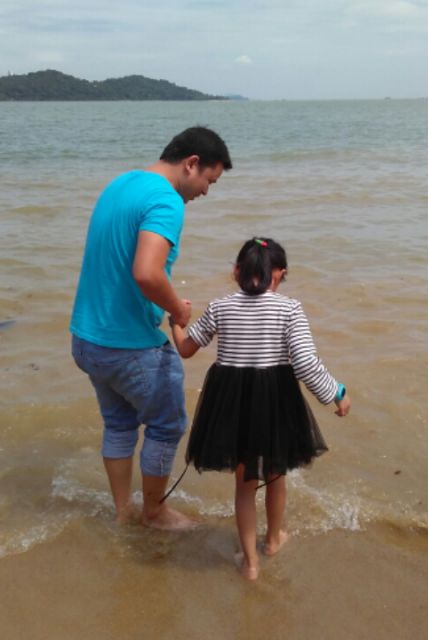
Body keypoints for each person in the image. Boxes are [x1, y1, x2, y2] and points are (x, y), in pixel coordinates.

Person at [70, 126, 232, 531]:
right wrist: (177, 309)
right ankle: (155, 513)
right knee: (167, 425)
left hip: (88, 339)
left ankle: (123, 510)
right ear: (191, 163)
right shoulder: (166, 199)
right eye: (209, 181)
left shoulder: (121, 183)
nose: (205, 192)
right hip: (128, 346)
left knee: (119, 424)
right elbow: (146, 273)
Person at [170, 237, 351, 578]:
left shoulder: (220, 307)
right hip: (276, 401)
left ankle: (250, 563)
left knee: (245, 484)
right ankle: (273, 540)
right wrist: (336, 393)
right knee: (275, 474)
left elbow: (186, 349)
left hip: (231, 404)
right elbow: (305, 364)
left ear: (236, 271)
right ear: (279, 274)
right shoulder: (290, 309)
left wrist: (176, 323)